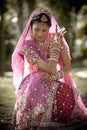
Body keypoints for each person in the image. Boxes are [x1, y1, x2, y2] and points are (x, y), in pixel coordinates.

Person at [11, 8, 87, 130]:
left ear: (49, 29)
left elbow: (68, 67)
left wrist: (55, 76)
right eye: (36, 30)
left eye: (44, 30)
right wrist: (56, 48)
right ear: (30, 29)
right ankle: (37, 118)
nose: (40, 34)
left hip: (53, 80)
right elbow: (49, 69)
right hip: (35, 83)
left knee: (68, 94)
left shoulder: (56, 38)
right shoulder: (28, 47)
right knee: (39, 79)